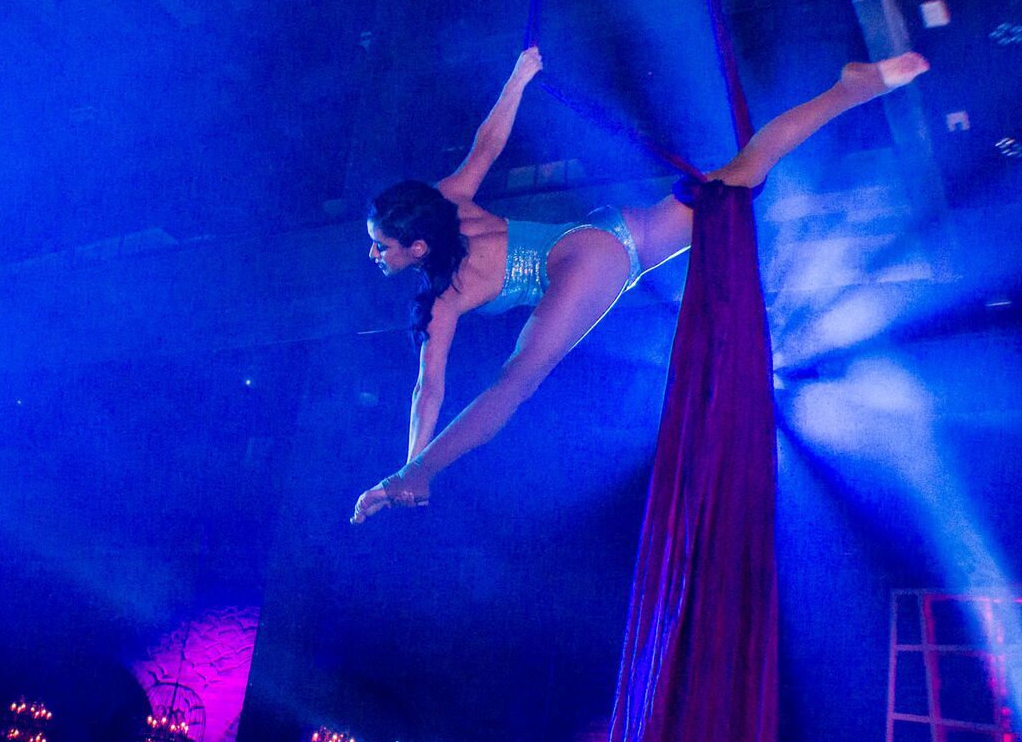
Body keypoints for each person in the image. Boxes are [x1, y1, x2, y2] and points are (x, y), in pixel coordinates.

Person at [350, 46, 929, 522]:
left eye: (382, 244)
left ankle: (418, 474)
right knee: (743, 175)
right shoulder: (448, 207)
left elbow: (430, 392)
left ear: (417, 248)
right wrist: (519, 77)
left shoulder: (446, 299)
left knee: (514, 384)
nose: (374, 253)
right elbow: (488, 143)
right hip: (618, 236)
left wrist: (412, 472)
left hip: (583, 266)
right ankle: (852, 88)